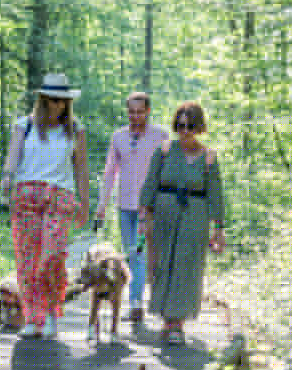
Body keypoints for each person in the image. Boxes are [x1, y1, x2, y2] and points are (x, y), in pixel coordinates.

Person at [0, 73, 91, 339]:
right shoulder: (23, 126)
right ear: (42, 100)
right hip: (26, 195)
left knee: (53, 256)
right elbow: (12, 157)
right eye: (53, 100)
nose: (59, 106)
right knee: (27, 259)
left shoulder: (75, 129)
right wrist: (7, 176)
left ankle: (51, 311)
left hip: (60, 196)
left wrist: (84, 203)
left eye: (63, 101)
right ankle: (31, 317)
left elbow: (81, 169)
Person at [139, 101, 225, 345]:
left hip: (195, 214)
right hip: (164, 211)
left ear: (199, 127)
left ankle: (177, 322)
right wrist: (144, 216)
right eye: (179, 125)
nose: (184, 131)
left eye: (189, 126)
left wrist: (219, 228)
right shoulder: (164, 150)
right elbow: (150, 183)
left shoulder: (208, 157)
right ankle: (166, 317)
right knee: (162, 262)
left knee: (187, 265)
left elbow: (216, 194)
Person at [95, 91, 168, 324]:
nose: (136, 115)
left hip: (149, 207)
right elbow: (109, 172)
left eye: (140, 111)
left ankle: (145, 303)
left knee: (144, 255)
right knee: (132, 254)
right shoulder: (118, 137)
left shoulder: (160, 136)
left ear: (148, 111)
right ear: (127, 111)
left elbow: (167, 172)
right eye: (131, 111)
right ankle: (135, 302)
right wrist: (102, 206)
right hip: (125, 206)